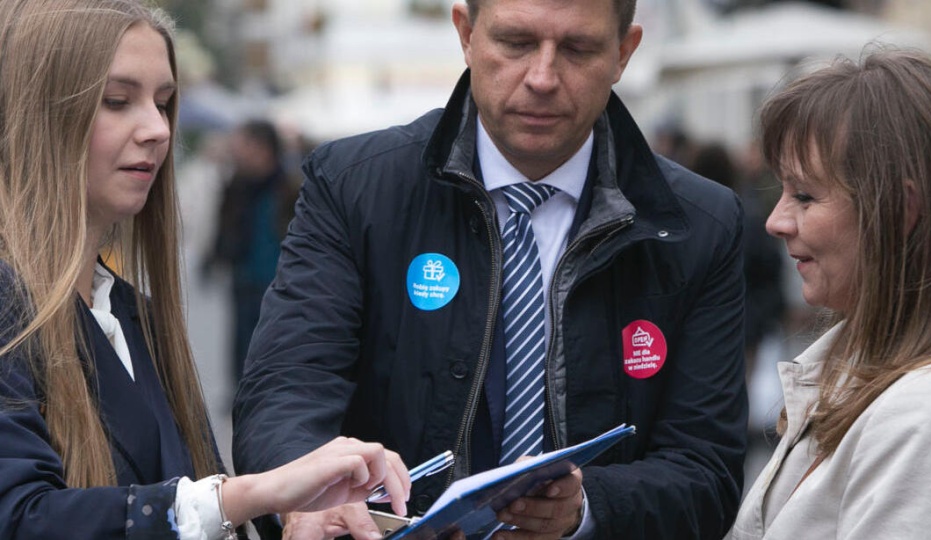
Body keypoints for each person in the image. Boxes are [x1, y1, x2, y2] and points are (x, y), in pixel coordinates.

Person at [232, 0, 748, 538]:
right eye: (517, 43)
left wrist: (588, 507)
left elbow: (706, 469)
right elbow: (284, 388)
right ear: (466, 33)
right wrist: (305, 496)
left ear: (624, 53)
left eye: (577, 48)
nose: (543, 77)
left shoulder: (699, 226)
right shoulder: (355, 188)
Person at [0, 1, 410, 539]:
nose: (158, 129)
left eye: (165, 103)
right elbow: (21, 518)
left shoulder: (133, 312)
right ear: (37, 114)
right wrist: (250, 493)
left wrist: (304, 523)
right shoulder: (13, 301)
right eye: (117, 101)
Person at [726, 48, 931, 539]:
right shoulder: (857, 365)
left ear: (900, 209)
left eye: (805, 195)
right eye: (781, 190)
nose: (777, 221)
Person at [205, 119, 299, 384]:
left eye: (243, 144)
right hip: (244, 280)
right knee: (241, 349)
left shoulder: (290, 187)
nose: (235, 151)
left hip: (280, 285)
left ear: (263, 148)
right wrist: (216, 256)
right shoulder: (236, 184)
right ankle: (242, 400)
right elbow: (224, 224)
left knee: (276, 351)